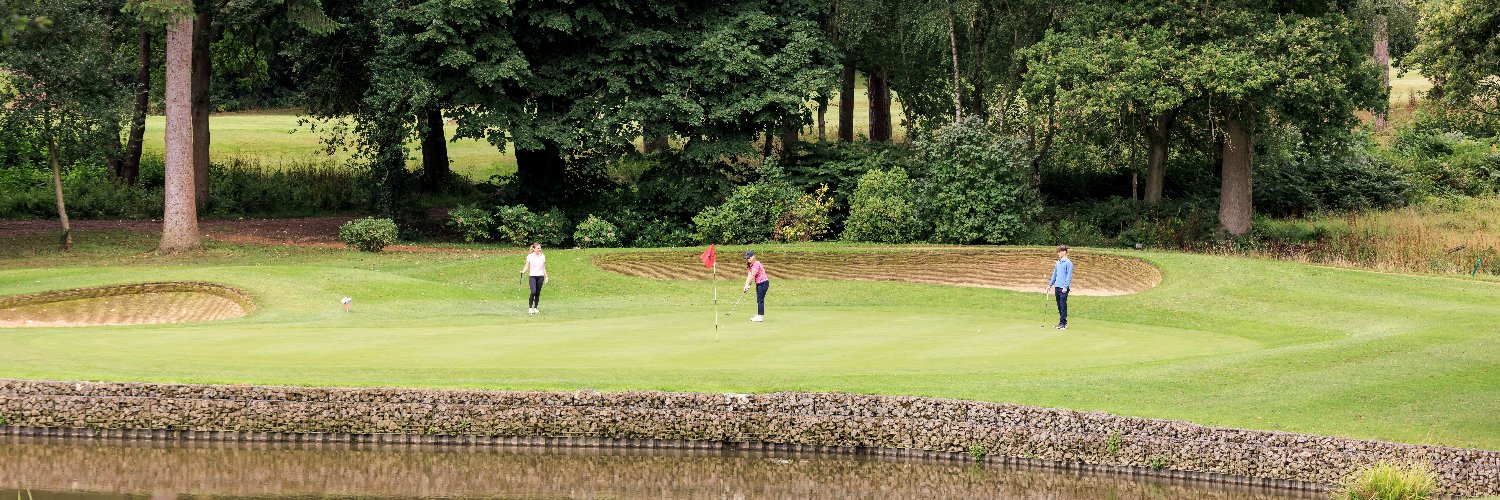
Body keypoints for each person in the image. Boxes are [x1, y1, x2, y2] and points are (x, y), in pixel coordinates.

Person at [1048, 244, 1073, 330]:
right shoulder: (1057, 263)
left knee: (1063, 305)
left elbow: (1069, 276)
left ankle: (1064, 323)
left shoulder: (1069, 263)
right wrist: (1050, 284)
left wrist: (1065, 287)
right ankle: (1061, 322)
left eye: (1059, 252)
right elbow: (1054, 275)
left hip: (1063, 288)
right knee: (1059, 305)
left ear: (1064, 252)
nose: (1058, 253)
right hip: (1057, 287)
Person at [519, 243, 548, 315]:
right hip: (532, 276)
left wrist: (546, 276)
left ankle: (535, 307)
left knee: (538, 293)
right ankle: (530, 308)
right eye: (538, 248)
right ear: (534, 249)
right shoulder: (530, 256)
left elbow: (543, 267)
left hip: (540, 276)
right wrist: (523, 271)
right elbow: (526, 266)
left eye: (540, 248)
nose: (539, 249)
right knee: (533, 292)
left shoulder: (542, 256)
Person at [742, 251, 770, 322]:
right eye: (747, 258)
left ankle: (760, 317)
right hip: (759, 283)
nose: (748, 259)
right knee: (759, 299)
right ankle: (759, 314)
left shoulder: (756, 264)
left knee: (760, 299)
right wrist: (746, 285)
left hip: (763, 283)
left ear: (753, 256)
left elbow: (752, 275)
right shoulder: (751, 265)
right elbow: (749, 275)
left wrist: (748, 285)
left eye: (749, 258)